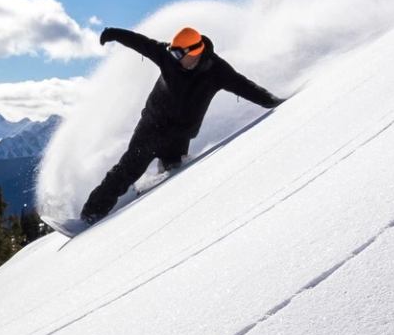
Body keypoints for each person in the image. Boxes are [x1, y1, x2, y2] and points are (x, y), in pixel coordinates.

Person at [78, 25, 282, 225]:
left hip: (180, 135)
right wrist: (113, 33)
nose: (173, 58)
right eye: (172, 54)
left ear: (195, 51)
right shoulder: (168, 56)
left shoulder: (217, 71)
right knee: (129, 168)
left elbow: (244, 86)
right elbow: (141, 43)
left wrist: (271, 101)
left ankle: (147, 191)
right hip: (152, 126)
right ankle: (91, 213)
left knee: (173, 172)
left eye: (178, 55)